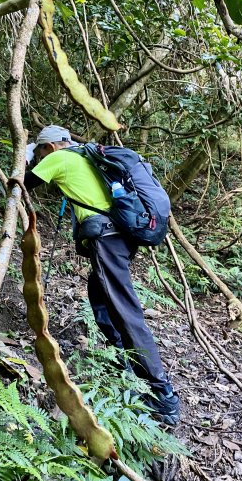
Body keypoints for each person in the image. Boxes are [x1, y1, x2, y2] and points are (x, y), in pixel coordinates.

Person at [24, 125, 180, 425]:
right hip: (120, 235)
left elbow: (22, 183)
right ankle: (124, 361)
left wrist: (24, 160)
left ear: (51, 147)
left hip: (106, 239)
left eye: (40, 150)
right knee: (99, 298)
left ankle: (163, 394)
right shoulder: (87, 157)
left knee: (124, 309)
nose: (40, 156)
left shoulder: (59, 159)